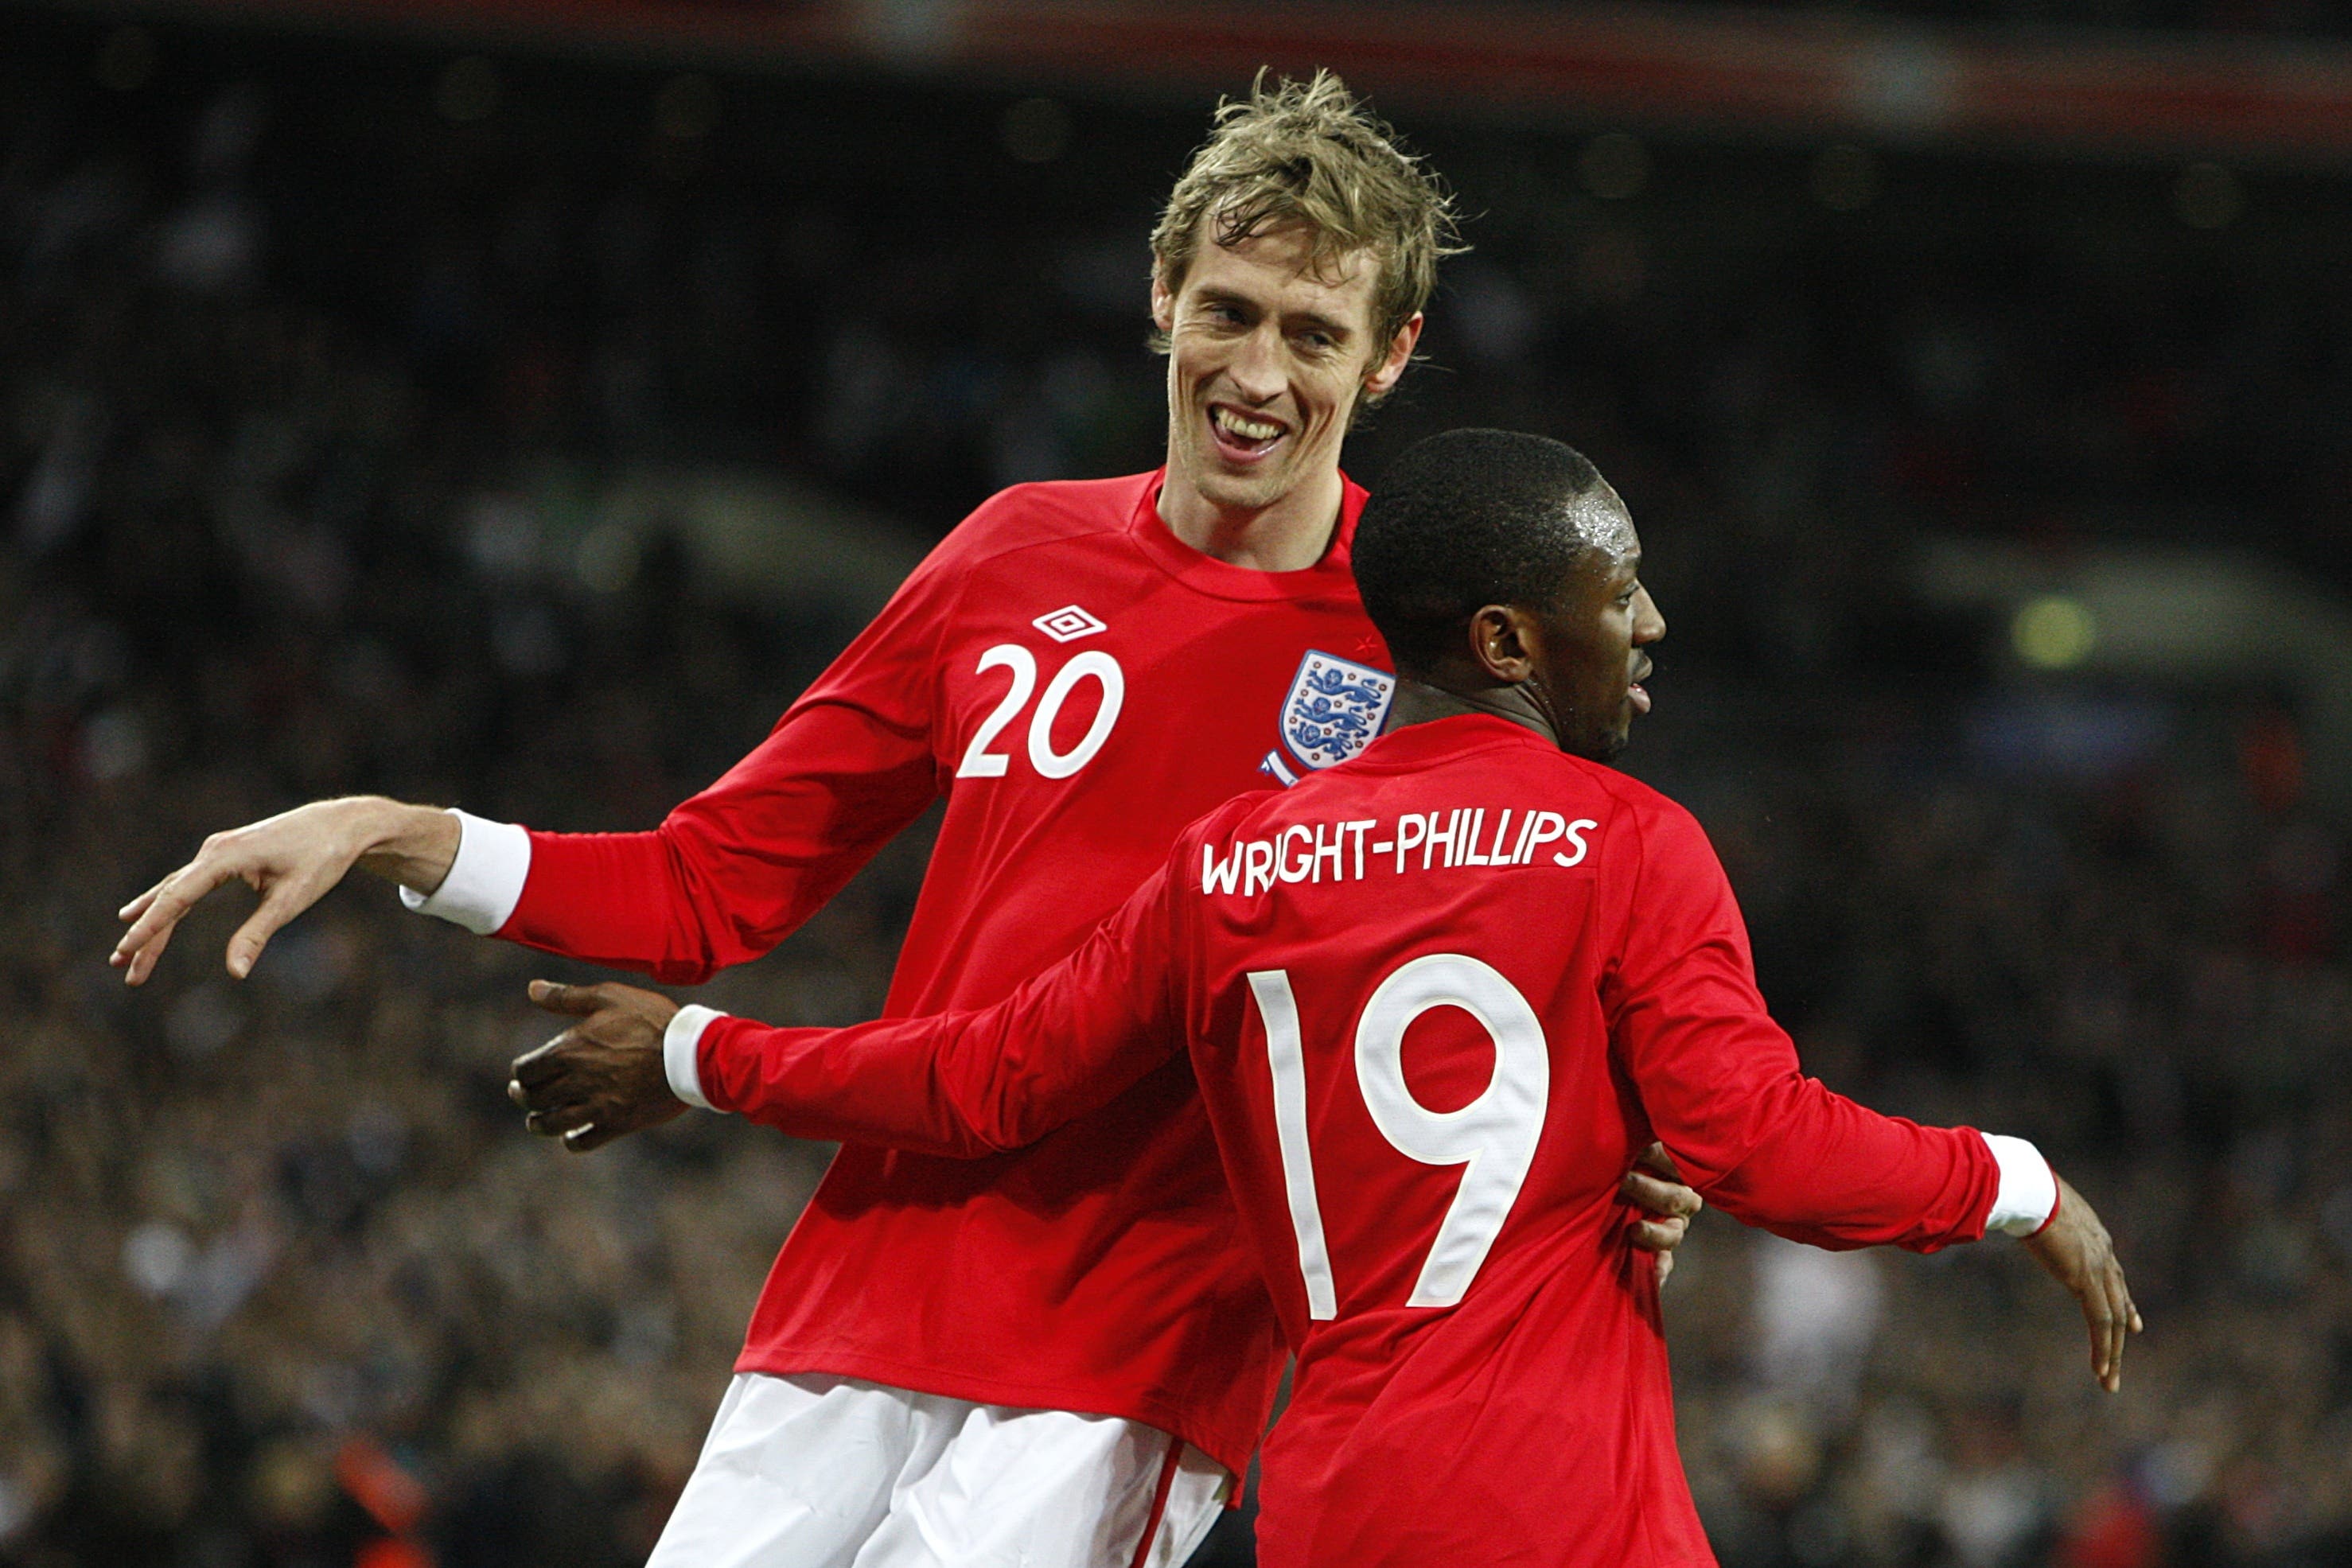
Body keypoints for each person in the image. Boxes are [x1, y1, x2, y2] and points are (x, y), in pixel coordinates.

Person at [110, 77, 1699, 1566]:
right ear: (1160, 293)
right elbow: (707, 882)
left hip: (1137, 1336)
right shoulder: (1011, 554)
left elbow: (1548, 958)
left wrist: (1635, 1146)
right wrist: (399, 826)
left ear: (1389, 354)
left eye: (1311, 330)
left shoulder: (1424, 641)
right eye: (1225, 311)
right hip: (861, 1281)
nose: (1258, 372)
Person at [507, 430, 2141, 1567]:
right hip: (1547, 1492)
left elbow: (987, 1075)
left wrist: (707, 1051)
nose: (1648, 616)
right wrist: (2017, 1182)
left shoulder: (1236, 861)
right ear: (1505, 635)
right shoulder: (1627, 847)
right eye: (1619, 583)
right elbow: (1761, 1144)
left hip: (1334, 1483)